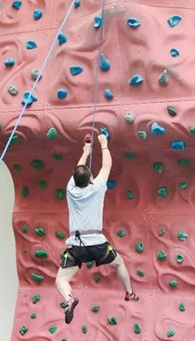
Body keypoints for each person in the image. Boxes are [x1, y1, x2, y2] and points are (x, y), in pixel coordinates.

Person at [55, 131, 139, 324]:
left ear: (74, 180)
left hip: (76, 246)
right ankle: (129, 292)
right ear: (91, 178)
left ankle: (69, 299)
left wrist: (86, 151)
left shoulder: (71, 189)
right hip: (97, 243)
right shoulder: (97, 187)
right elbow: (107, 165)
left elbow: (78, 171)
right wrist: (103, 143)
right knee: (119, 263)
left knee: (61, 279)